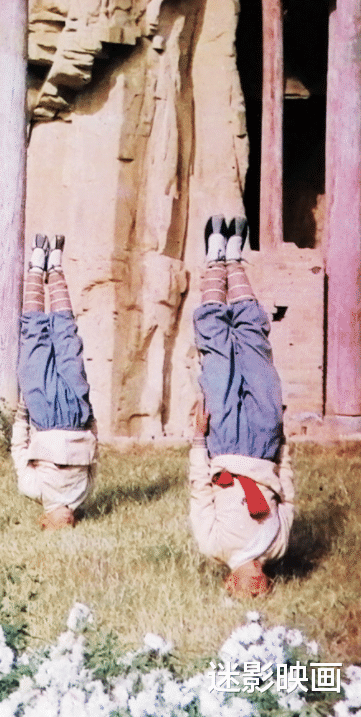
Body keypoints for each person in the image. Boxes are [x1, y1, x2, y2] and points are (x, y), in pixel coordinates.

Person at [189, 215, 295, 599]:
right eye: (260, 595)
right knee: (254, 347)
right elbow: (289, 496)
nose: (255, 593)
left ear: (229, 584)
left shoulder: (215, 547)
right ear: (269, 585)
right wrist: (282, 445)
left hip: (226, 446)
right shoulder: (277, 547)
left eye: (245, 596)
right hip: (265, 444)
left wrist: (199, 440)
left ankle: (215, 259)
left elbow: (200, 492)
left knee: (218, 354)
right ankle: (236, 260)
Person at [11, 234, 97, 530]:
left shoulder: (34, 491)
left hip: (43, 414)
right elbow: (93, 459)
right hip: (76, 415)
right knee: (67, 340)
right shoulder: (83, 495)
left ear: (44, 521)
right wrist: (90, 418)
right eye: (72, 525)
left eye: (62, 526)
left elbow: (19, 449)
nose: (69, 522)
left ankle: (37, 266)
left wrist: (24, 411)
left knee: (34, 339)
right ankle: (56, 267)